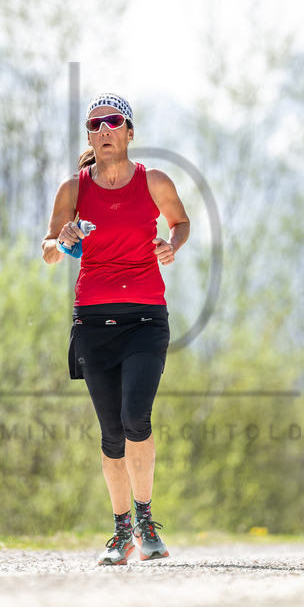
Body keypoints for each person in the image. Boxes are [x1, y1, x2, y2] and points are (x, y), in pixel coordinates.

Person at [41, 92, 190, 565]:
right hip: (92, 322)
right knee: (110, 435)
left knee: (136, 419)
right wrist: (61, 240)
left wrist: (172, 245)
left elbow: (181, 222)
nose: (104, 130)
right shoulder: (73, 190)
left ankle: (146, 523)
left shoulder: (154, 181)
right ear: (89, 136)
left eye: (113, 121)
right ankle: (121, 532)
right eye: (94, 124)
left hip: (146, 317)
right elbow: (47, 249)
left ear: (129, 132)